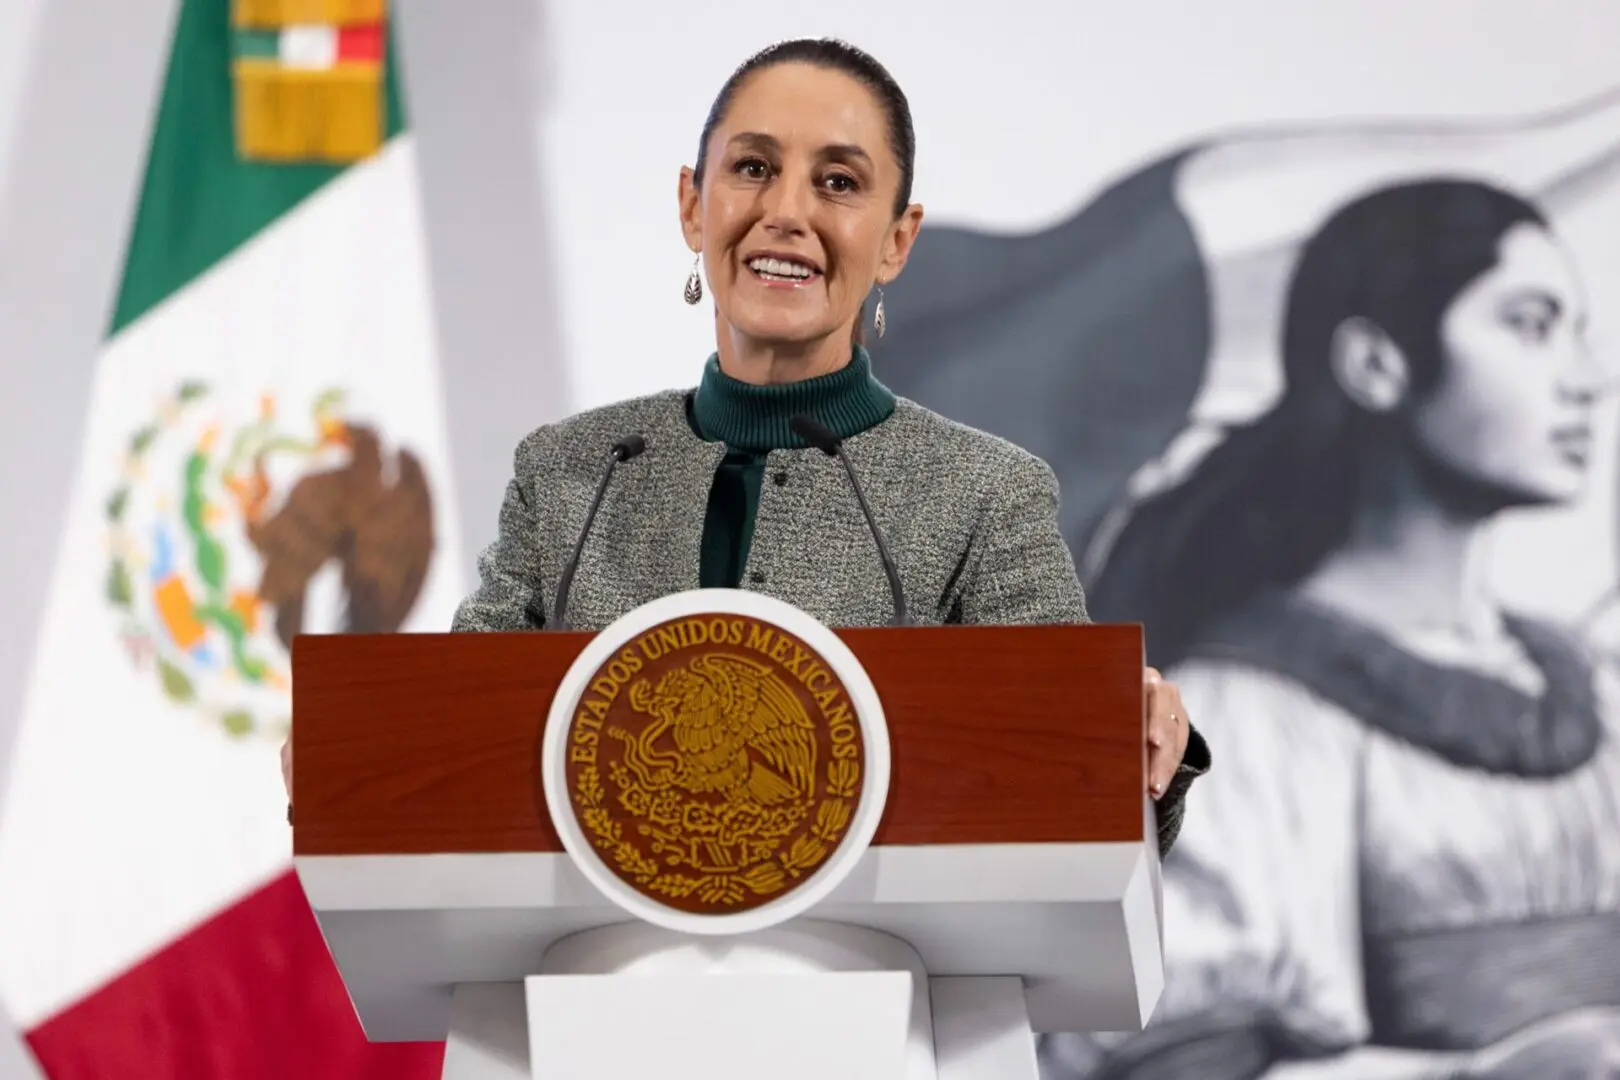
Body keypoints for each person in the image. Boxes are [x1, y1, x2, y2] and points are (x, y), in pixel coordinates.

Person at [279, 40, 1207, 847]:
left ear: (896, 241)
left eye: (839, 183)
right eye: (752, 168)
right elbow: (453, 729)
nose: (787, 213)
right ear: (693, 206)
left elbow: (1078, 783)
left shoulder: (982, 493)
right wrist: (357, 744)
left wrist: (1144, 744)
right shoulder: (570, 475)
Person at [1042, 179, 1616, 1080]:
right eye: (1531, 325)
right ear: (1376, 364)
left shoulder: (1594, 684)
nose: (1587, 379)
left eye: (1578, 333)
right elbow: (1185, 1056)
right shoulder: (1249, 715)